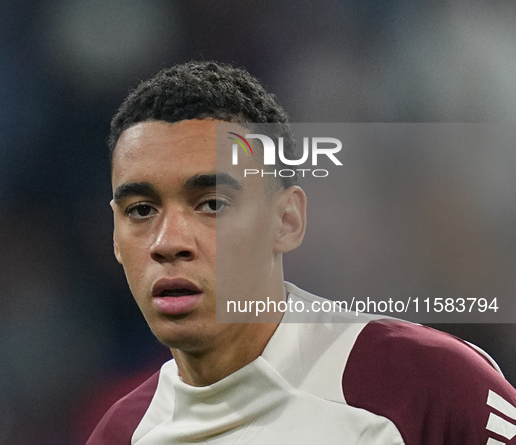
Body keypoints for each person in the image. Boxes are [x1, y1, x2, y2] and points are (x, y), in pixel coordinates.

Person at [87, 61, 516, 444]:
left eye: (212, 204)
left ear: (286, 221)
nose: (168, 243)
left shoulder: (429, 389)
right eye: (141, 210)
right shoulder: (121, 433)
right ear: (114, 235)